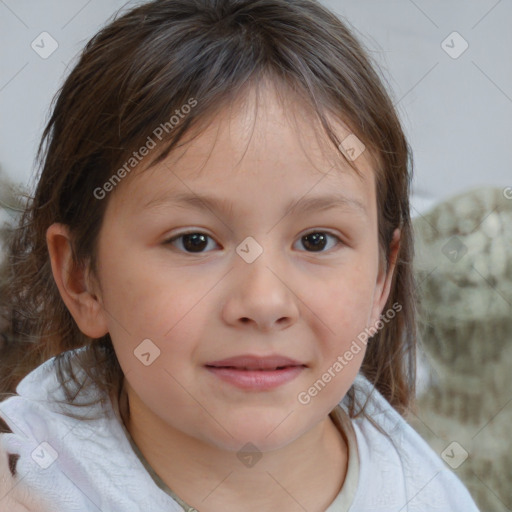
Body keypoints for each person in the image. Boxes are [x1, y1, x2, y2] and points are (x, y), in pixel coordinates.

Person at [0, 0, 480, 510]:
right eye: (194, 241)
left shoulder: (424, 493)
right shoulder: (31, 486)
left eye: (316, 241)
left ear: (382, 276)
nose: (264, 300)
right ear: (81, 278)